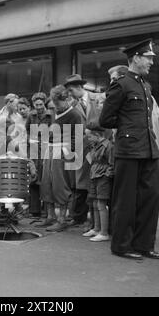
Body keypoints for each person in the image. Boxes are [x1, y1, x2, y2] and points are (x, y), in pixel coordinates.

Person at [99, 38, 159, 260]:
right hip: (128, 150)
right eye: (148, 58)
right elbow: (105, 119)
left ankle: (144, 244)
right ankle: (122, 246)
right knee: (125, 200)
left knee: (151, 198)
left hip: (148, 149)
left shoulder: (146, 85)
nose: (151, 63)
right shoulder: (122, 84)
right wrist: (126, 129)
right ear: (137, 57)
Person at [40, 85, 82, 232]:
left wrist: (66, 152)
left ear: (67, 100)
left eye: (58, 103)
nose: (56, 106)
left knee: (60, 186)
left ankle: (62, 219)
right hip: (50, 150)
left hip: (63, 151)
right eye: (54, 103)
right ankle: (50, 216)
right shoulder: (52, 113)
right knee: (46, 183)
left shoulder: (75, 115)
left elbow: (78, 138)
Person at [64, 74, 91, 228]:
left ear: (79, 88)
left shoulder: (97, 98)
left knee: (97, 183)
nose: (70, 94)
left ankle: (97, 220)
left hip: (98, 147)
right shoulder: (73, 106)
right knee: (80, 184)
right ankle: (79, 216)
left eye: (71, 90)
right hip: (81, 148)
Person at [82, 125, 114, 242]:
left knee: (101, 204)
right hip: (94, 175)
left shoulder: (107, 146)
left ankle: (104, 232)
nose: (88, 138)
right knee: (95, 203)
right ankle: (96, 228)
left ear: (96, 135)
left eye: (89, 136)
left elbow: (112, 164)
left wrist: (106, 175)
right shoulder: (94, 145)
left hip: (102, 177)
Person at [26, 92, 53, 218]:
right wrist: (29, 139)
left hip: (47, 150)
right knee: (34, 178)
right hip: (34, 150)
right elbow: (25, 131)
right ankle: (34, 210)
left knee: (46, 180)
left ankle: (47, 211)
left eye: (41, 104)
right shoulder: (31, 116)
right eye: (36, 105)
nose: (38, 107)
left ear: (44, 103)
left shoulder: (51, 115)